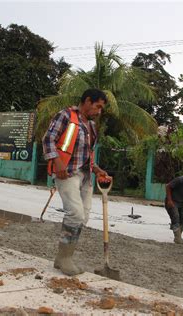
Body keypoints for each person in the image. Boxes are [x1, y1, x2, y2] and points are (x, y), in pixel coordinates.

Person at [42, 88, 111, 276]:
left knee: (83, 217)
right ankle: (66, 259)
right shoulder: (65, 115)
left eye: (101, 108)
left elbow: (86, 154)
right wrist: (57, 163)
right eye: (97, 106)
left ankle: (61, 257)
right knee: (75, 214)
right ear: (87, 101)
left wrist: (97, 169)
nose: (99, 111)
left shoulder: (91, 126)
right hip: (67, 173)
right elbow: (48, 140)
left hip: (85, 176)